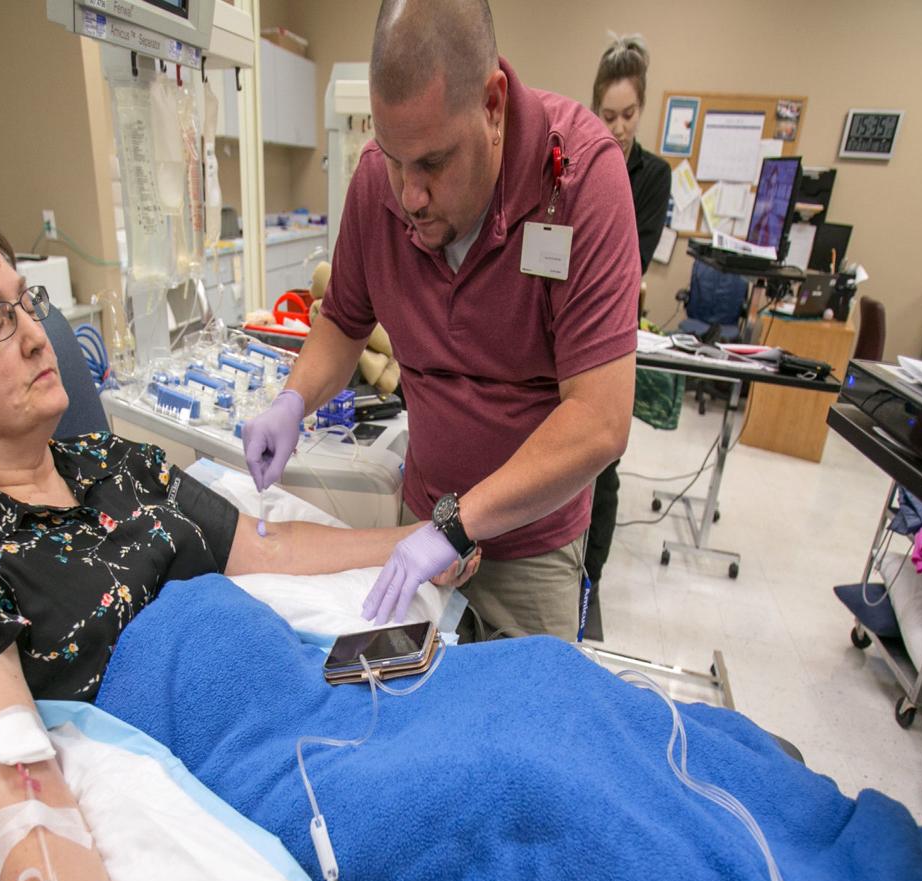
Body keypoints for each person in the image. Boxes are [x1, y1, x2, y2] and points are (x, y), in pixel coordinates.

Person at [0, 216, 477, 881]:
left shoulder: (120, 465)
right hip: (222, 764)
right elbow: (18, 782)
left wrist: (437, 537)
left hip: (290, 690)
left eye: (28, 305)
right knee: (501, 793)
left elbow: (271, 549)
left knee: (530, 694)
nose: (34, 336)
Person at [242, 0, 641, 644]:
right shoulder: (378, 184)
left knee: (519, 723)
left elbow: (598, 419)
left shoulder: (582, 181)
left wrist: (458, 524)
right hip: (418, 523)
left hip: (530, 546)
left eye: (432, 162)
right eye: (393, 158)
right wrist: (293, 399)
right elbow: (344, 322)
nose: (410, 195)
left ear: (492, 104)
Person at [585, 31, 672, 611]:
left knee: (603, 465)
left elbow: (629, 261)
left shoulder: (653, 176)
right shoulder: (574, 162)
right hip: (567, 324)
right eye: (608, 115)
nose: (617, 127)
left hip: (612, 331)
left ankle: (589, 585)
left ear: (642, 109)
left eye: (628, 114)